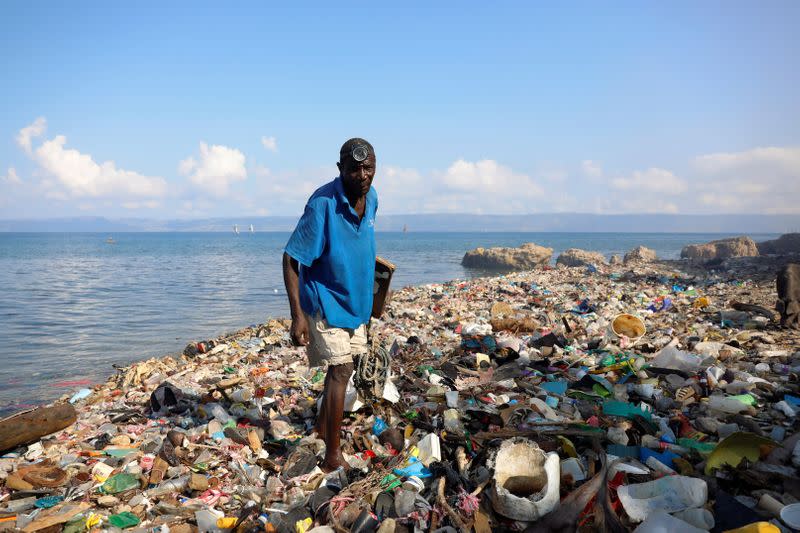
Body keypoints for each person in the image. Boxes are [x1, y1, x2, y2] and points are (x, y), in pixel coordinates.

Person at [282, 138, 378, 471]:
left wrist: (377, 294)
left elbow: (361, 248)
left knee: (341, 367)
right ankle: (332, 458)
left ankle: (323, 429)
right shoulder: (321, 204)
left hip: (356, 305)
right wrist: (298, 317)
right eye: (354, 168)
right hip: (324, 301)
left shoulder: (372, 199)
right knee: (342, 370)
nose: (362, 175)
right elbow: (291, 259)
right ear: (341, 169)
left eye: (368, 168)